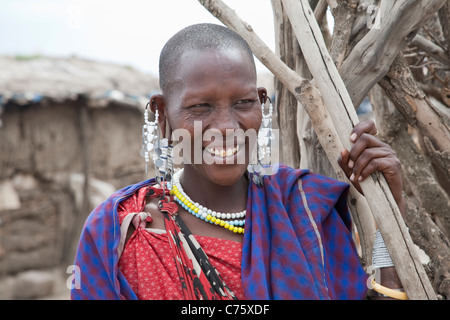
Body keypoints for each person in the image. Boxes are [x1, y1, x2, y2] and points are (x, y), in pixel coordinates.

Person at [71, 23, 406, 300]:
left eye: (243, 102)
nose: (227, 127)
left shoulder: (304, 206)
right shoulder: (118, 230)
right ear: (161, 114)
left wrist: (390, 207)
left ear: (262, 102)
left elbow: (380, 291)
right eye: (200, 107)